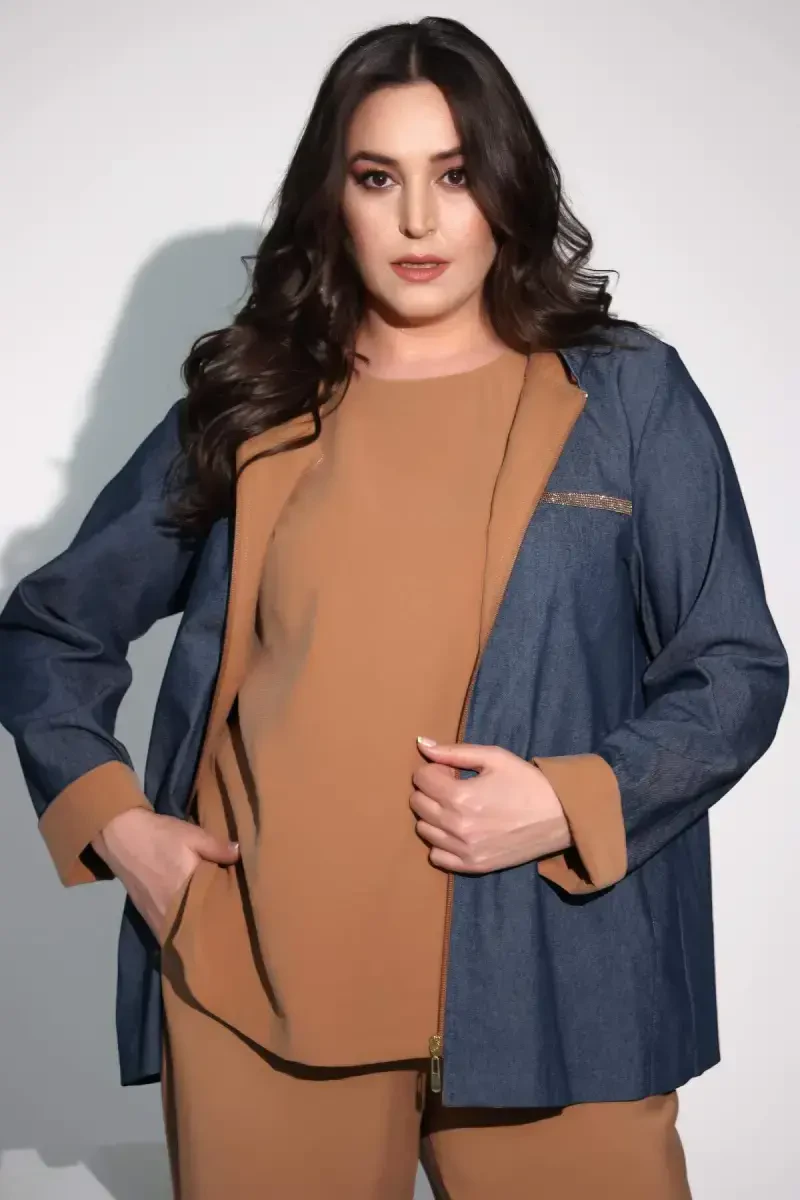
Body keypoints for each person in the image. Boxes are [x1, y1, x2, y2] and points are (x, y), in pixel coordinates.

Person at [0, 15, 788, 1200]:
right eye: (378, 178)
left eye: (454, 175)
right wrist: (122, 829)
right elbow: (50, 631)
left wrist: (570, 800)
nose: (418, 220)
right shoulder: (254, 401)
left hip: (554, 978)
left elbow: (733, 666)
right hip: (261, 990)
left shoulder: (625, 395)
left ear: (506, 188)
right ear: (333, 197)